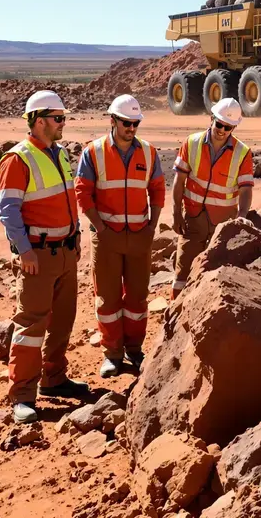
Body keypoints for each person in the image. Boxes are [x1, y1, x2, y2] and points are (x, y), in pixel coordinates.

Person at [0, 90, 89, 424]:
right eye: (57, 118)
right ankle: (22, 395)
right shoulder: (17, 159)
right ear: (37, 121)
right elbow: (8, 212)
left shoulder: (60, 153)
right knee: (31, 325)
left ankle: (54, 379)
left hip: (65, 251)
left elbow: (68, 199)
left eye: (64, 118)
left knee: (63, 320)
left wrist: (75, 237)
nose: (62, 123)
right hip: (38, 254)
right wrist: (24, 251)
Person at [74, 94, 165, 378]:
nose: (131, 128)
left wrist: (152, 227)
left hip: (139, 236)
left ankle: (134, 350)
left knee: (137, 299)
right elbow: (83, 193)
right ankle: (112, 354)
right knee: (108, 299)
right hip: (108, 238)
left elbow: (158, 190)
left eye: (135, 123)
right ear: (112, 121)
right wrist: (100, 228)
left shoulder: (149, 152)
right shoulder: (94, 152)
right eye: (126, 122)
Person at [170, 97, 255, 299]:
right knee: (182, 273)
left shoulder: (243, 152)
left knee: (216, 273)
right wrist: (175, 214)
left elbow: (245, 189)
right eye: (219, 124)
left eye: (229, 127)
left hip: (222, 224)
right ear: (211, 118)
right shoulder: (191, 143)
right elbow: (179, 181)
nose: (222, 130)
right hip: (192, 219)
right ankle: (174, 318)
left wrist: (241, 217)